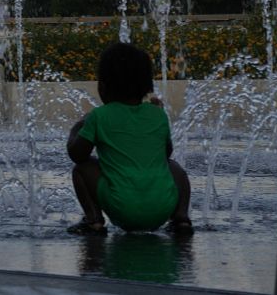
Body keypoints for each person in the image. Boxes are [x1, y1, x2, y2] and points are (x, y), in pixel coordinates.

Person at [67, 42, 193, 235]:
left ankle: (93, 220)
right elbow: (165, 153)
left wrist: (78, 126)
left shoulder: (99, 117)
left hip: (122, 207)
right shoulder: (158, 114)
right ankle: (181, 219)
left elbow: (77, 154)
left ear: (103, 86)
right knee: (175, 168)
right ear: (145, 86)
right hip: (161, 208)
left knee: (82, 169)